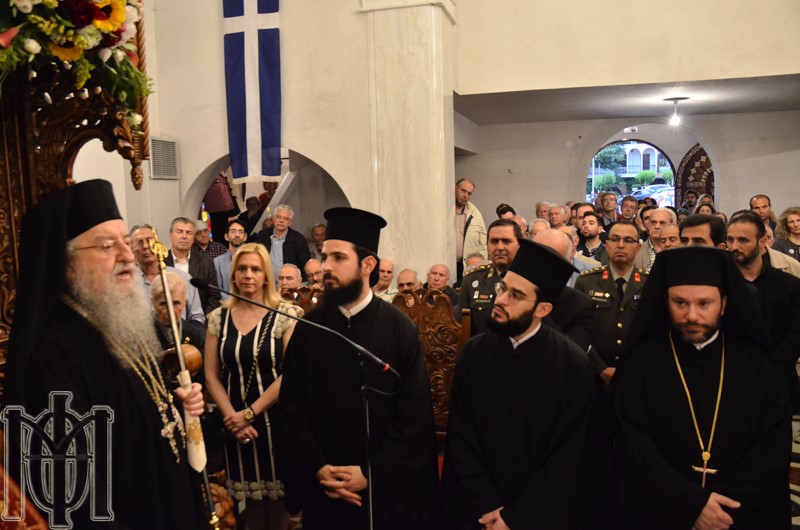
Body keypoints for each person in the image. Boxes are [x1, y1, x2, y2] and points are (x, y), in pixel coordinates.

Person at [5, 180, 207, 528]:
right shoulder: (51, 355)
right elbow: (72, 493)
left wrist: (176, 405)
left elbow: (133, 407)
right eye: (107, 246)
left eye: (125, 242)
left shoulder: (119, 321)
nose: (128, 256)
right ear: (66, 263)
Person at [278, 207, 438, 530]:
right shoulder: (308, 328)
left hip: (382, 494)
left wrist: (371, 474)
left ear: (368, 265)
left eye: (338, 258)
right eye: (325, 257)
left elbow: (414, 417)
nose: (326, 266)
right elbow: (291, 408)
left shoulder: (400, 330)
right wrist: (318, 467)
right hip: (324, 489)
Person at [614, 246, 791, 529]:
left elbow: (773, 445)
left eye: (704, 304)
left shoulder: (758, 365)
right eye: (680, 303)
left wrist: (722, 508)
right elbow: (633, 444)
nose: (692, 315)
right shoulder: (640, 364)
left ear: (723, 304)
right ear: (665, 302)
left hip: (739, 514)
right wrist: (690, 504)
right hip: (662, 511)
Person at [442, 239, 596, 530]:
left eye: (515, 295)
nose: (500, 300)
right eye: (503, 288)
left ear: (543, 309)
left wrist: (517, 517)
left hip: (540, 515)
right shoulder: (474, 353)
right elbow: (462, 438)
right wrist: (486, 505)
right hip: (478, 510)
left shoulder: (572, 365)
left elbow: (567, 455)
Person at [204, 243, 302, 529]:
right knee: (252, 508)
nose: (248, 275)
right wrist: (233, 418)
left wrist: (250, 413)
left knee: (279, 507)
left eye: (256, 269)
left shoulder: (286, 314)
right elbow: (211, 375)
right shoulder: (219, 318)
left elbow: (291, 374)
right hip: (234, 425)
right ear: (233, 274)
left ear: (266, 275)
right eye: (242, 269)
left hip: (275, 423)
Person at [726, 211, 800, 411]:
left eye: (743, 240)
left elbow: (796, 333)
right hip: (731, 382)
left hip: (780, 382)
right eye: (730, 240)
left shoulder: (789, 285)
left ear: (762, 242)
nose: (734, 247)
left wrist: (774, 363)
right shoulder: (720, 286)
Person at [575, 221, 647, 384]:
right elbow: (578, 329)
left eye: (628, 240)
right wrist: (600, 368)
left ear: (638, 248)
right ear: (607, 245)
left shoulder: (649, 283)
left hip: (636, 375)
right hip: (593, 375)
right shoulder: (587, 281)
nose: (620, 245)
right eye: (615, 239)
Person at [459, 219, 522, 335]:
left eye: (506, 241)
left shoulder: (531, 280)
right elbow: (464, 329)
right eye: (494, 241)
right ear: (487, 246)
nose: (500, 247)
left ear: (519, 245)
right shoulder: (472, 280)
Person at [164, 217, 221, 314]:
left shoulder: (206, 263)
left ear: (193, 238)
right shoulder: (160, 262)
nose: (184, 236)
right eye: (179, 232)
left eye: (189, 233)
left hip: (200, 319)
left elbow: (214, 296)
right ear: (171, 235)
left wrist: (202, 320)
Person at [254, 204, 312, 281]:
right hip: (265, 283)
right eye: (278, 217)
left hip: (289, 285)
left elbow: (305, 265)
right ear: (273, 219)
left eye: (285, 218)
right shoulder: (262, 235)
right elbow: (254, 259)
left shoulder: (298, 239)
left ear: (290, 222)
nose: (281, 221)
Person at [455, 178, 488, 284]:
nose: (466, 195)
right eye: (463, 191)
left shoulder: (475, 214)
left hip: (466, 265)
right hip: (446, 261)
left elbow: (482, 245)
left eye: (469, 193)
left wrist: (483, 267)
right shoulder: (443, 210)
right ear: (455, 189)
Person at [214, 219, 248, 301]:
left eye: (240, 232)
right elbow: (217, 291)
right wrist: (236, 302)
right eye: (233, 231)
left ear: (245, 237)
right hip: (226, 306)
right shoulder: (217, 262)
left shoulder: (254, 261)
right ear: (226, 236)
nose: (237, 235)